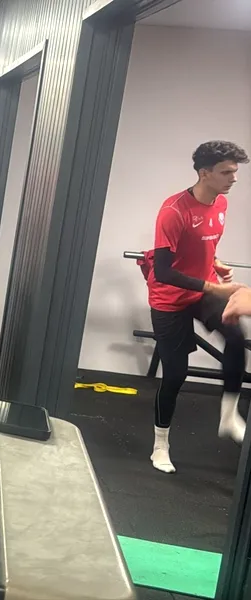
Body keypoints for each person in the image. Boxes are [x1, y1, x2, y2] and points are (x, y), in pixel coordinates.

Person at [145, 140, 249, 474]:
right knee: (176, 374)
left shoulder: (220, 203)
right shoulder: (174, 211)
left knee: (236, 337)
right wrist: (215, 286)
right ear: (205, 173)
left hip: (202, 291)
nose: (234, 178)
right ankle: (160, 445)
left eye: (235, 172)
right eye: (226, 172)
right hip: (169, 299)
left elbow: (204, 245)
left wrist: (215, 263)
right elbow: (163, 271)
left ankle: (229, 417)